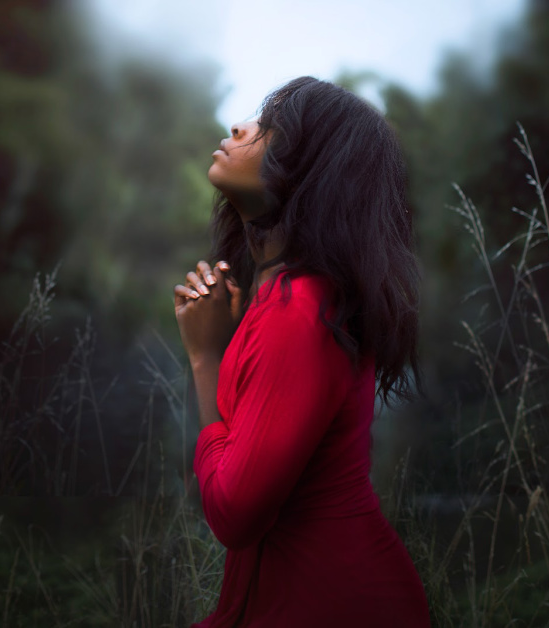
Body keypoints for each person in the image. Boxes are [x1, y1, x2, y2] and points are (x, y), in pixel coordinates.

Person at [173, 76, 430, 627]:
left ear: (313, 172)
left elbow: (235, 515)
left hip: (332, 603)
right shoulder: (289, 301)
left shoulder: (300, 313)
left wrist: (204, 359)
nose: (240, 127)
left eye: (270, 130)